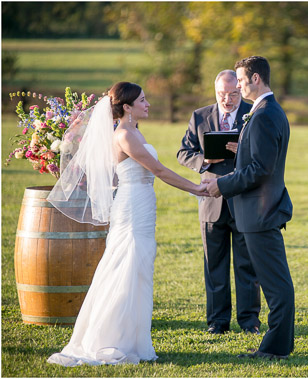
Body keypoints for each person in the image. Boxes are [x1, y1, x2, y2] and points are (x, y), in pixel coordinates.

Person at [47, 82, 209, 366]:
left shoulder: (134, 131)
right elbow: (157, 170)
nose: (148, 104)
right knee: (125, 269)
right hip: (133, 208)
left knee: (139, 271)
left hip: (142, 204)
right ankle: (109, 339)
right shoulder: (124, 135)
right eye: (142, 100)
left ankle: (133, 339)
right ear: (127, 107)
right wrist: (196, 188)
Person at [205, 56, 294, 359]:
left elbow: (259, 169)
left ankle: (275, 349)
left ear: (256, 79)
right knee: (275, 284)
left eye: (241, 81)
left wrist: (222, 184)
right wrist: (239, 146)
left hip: (260, 212)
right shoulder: (264, 112)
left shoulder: (266, 114)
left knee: (276, 286)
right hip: (258, 213)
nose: (238, 86)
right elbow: (258, 157)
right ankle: (277, 346)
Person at [177, 69, 259, 335]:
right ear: (216, 92)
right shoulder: (200, 116)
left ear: (241, 90)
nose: (227, 100)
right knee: (214, 265)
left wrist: (243, 149)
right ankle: (217, 322)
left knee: (247, 266)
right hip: (210, 201)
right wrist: (204, 161)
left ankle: (249, 322)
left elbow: (264, 156)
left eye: (233, 94)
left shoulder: (254, 114)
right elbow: (183, 152)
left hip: (244, 200)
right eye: (222, 94)